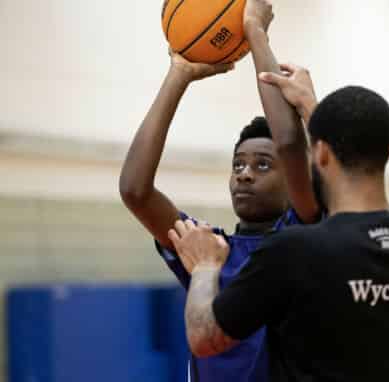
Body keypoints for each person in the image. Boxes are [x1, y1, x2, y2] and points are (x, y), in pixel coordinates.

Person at [168, 69, 389, 381]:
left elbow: (204, 337)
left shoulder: (295, 250)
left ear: (322, 153)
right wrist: (311, 108)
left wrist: (205, 267)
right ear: (388, 153)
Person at [119, 0, 318, 381]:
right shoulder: (207, 251)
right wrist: (179, 73)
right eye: (238, 164)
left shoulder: (304, 236)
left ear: (293, 179)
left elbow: (291, 143)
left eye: (263, 165)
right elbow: (135, 190)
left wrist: (256, 32)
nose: (244, 174)